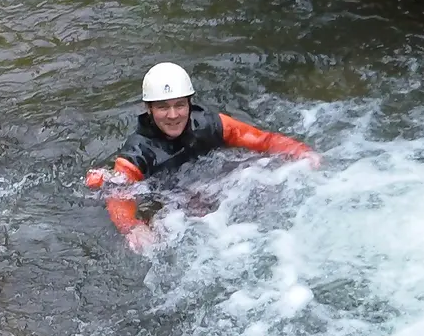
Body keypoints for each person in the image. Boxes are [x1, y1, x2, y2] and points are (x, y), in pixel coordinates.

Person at [85, 62, 317, 250]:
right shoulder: (137, 152)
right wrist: (132, 227)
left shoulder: (210, 123)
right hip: (173, 203)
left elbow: (263, 141)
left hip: (214, 187)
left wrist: (300, 151)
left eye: (180, 105)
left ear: (190, 104)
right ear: (149, 109)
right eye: (163, 107)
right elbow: (118, 196)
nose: (173, 115)